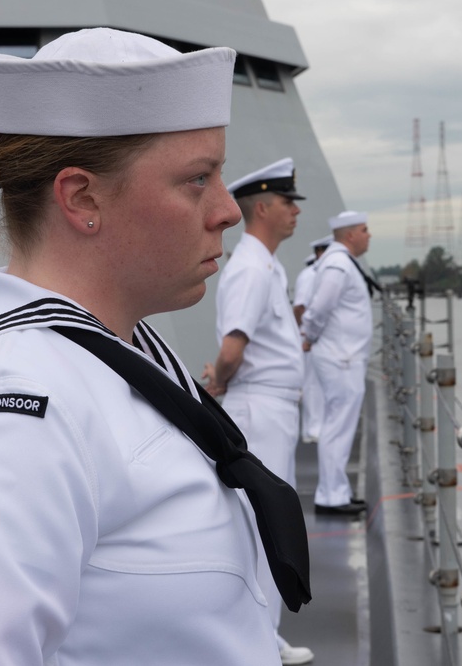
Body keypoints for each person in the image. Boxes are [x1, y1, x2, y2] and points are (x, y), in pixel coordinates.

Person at [0, 28, 310, 665]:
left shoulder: (117, 349)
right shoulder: (1, 409)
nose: (227, 210)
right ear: (81, 197)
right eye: (197, 179)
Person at [202, 157, 313, 665]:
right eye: (288, 202)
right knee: (266, 523)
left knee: (268, 521)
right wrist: (219, 383)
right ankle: (259, 642)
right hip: (260, 407)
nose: (295, 211)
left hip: (273, 406)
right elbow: (232, 349)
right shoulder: (250, 267)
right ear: (263, 207)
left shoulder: (266, 264)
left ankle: (265, 636)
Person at [300, 211, 374, 515]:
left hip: (346, 357)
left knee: (339, 426)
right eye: (364, 229)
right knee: (337, 427)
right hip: (341, 358)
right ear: (350, 235)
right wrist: (309, 335)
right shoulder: (339, 264)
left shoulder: (339, 262)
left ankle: (337, 490)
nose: (369, 235)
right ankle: (331, 497)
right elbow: (318, 309)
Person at [292, 234, 332, 445]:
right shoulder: (310, 275)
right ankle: (313, 429)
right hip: (309, 339)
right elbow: (300, 307)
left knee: (317, 385)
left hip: (315, 339)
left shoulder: (318, 273)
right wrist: (305, 335)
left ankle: (315, 427)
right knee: (313, 385)